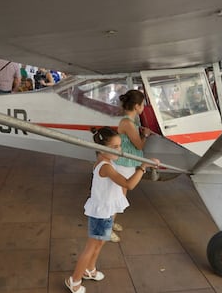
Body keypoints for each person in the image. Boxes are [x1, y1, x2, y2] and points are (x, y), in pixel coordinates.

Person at [64, 126, 158, 293]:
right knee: (91, 247)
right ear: (101, 149)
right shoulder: (105, 166)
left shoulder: (108, 162)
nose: (120, 150)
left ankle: (89, 269)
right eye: (115, 147)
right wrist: (143, 167)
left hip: (106, 211)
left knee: (100, 242)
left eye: (120, 146)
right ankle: (74, 280)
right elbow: (129, 184)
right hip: (101, 214)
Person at [112, 89, 152, 242]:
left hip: (127, 163)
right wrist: (146, 135)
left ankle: (111, 222)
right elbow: (139, 145)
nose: (143, 107)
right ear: (136, 106)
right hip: (123, 164)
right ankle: (107, 228)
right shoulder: (128, 123)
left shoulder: (130, 121)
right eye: (142, 104)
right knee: (117, 196)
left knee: (120, 196)